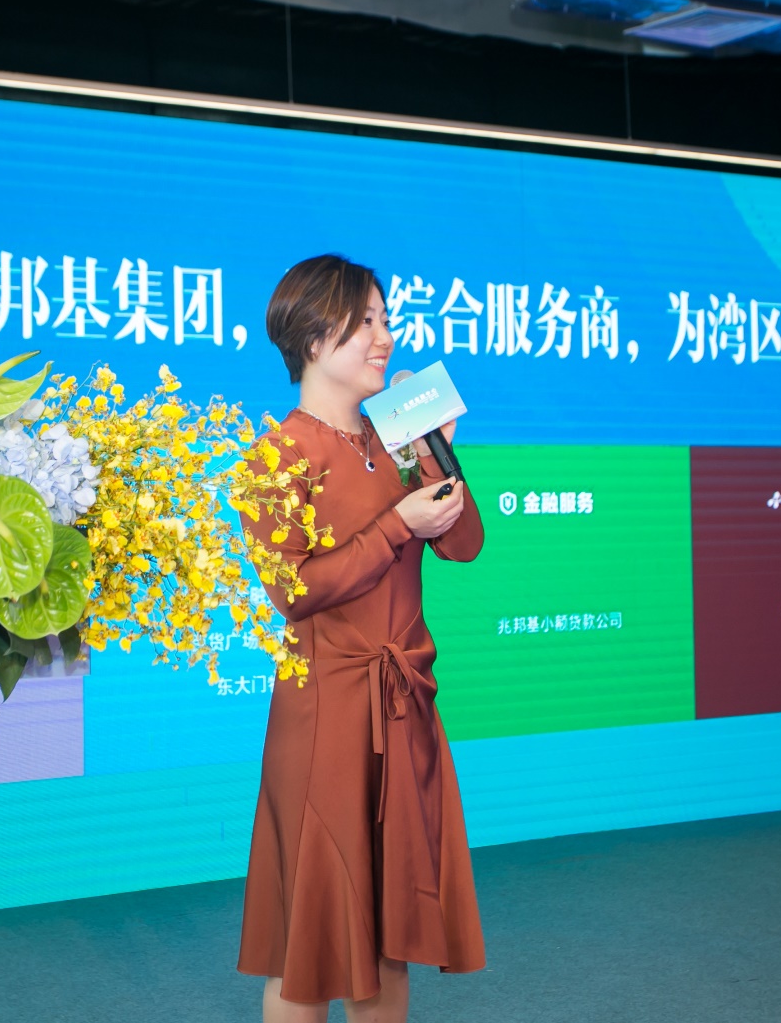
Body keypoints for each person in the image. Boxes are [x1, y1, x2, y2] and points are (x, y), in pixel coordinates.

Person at [238, 255, 486, 1023]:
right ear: (314, 338)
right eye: (365, 322)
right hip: (325, 715)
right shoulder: (274, 455)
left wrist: (435, 448)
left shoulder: (398, 432)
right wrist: (395, 526)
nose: (385, 337)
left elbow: (465, 543)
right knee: (307, 941)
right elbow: (294, 590)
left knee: (389, 934)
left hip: (403, 707)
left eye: (385, 319)